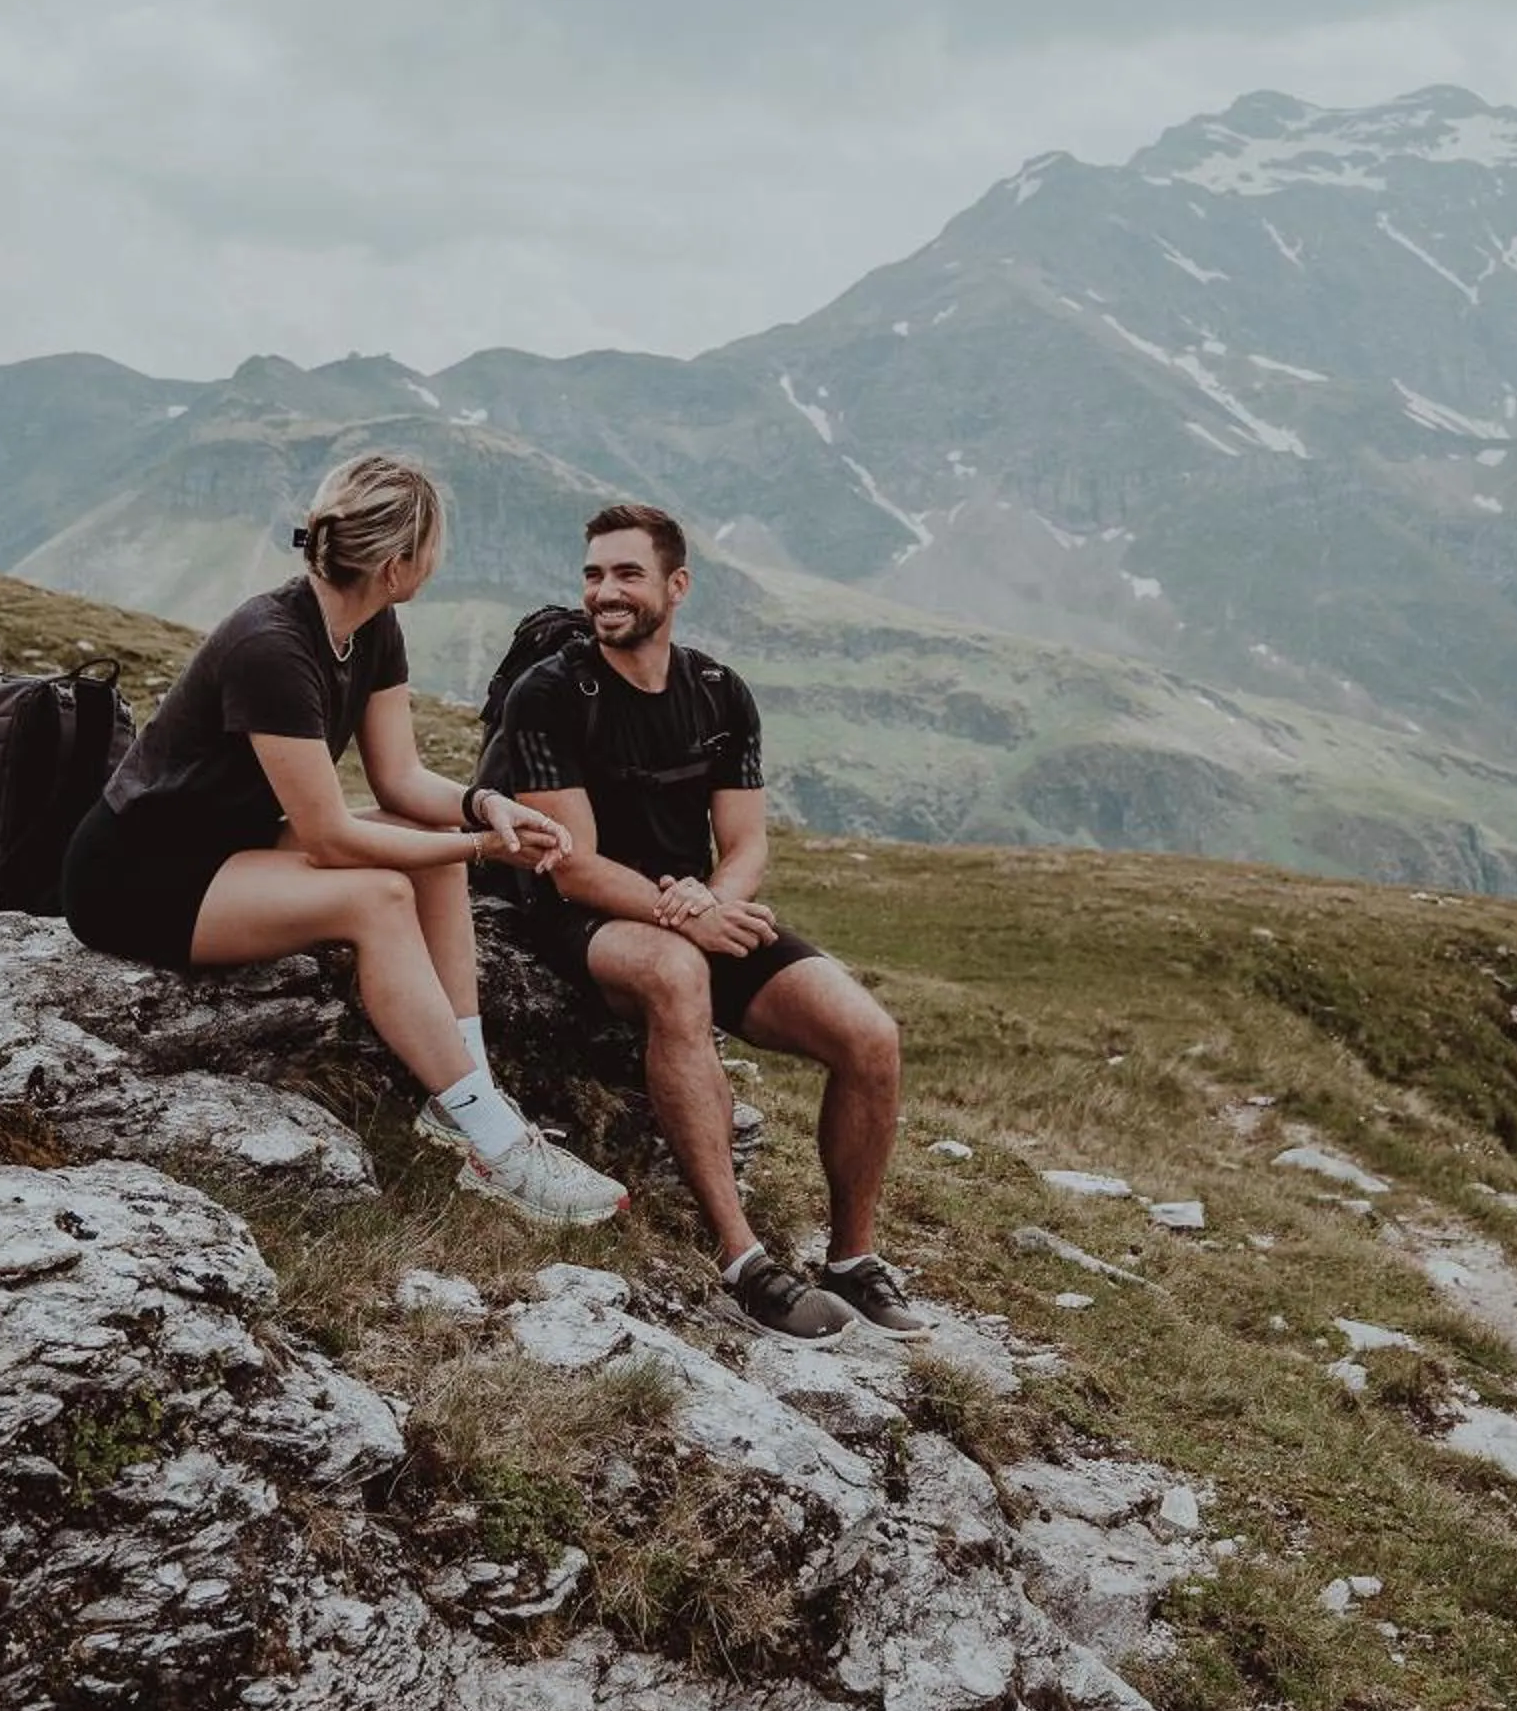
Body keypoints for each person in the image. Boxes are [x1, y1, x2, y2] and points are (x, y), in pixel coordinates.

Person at [62, 451, 627, 1227]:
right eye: (432, 549)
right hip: (139, 877)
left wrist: (483, 806)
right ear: (396, 566)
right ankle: (500, 1149)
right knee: (379, 896)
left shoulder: (370, 625)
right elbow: (329, 839)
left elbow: (400, 780)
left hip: (229, 849)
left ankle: (465, 1099)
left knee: (429, 839)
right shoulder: (272, 645)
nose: (437, 564)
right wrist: (479, 851)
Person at [487, 503, 924, 1345]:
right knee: (677, 973)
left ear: (677, 586)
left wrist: (713, 903)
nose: (604, 592)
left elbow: (748, 841)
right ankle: (742, 1259)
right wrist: (685, 915)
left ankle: (851, 1261)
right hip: (579, 915)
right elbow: (570, 863)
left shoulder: (720, 693)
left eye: (627, 574)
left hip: (695, 908)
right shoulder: (549, 693)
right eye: (593, 575)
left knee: (870, 1037)